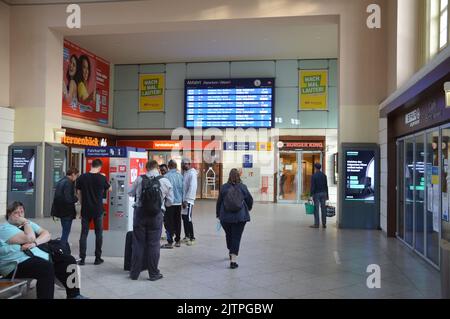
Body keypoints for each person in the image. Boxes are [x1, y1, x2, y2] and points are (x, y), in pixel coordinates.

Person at [0, 202, 87, 299]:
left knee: (69, 260)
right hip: (15, 264)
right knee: (45, 268)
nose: (20, 215)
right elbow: (30, 237)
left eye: (22, 211)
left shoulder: (27, 224)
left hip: (35, 256)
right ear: (9, 215)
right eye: (16, 213)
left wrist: (35, 243)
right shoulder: (5, 228)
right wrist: (25, 223)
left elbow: (46, 234)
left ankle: (74, 295)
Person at [128, 160, 174, 281]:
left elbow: (130, 192)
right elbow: (170, 202)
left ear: (147, 168)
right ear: (157, 168)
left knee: (138, 243)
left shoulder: (139, 179)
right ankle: (153, 273)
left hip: (140, 214)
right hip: (156, 216)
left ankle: (134, 273)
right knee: (154, 244)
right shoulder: (164, 181)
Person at [216, 169, 253, 269]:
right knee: (236, 237)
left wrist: (218, 215)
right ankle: (233, 261)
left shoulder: (224, 187)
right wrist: (248, 208)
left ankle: (230, 250)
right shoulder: (243, 187)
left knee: (229, 235)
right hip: (240, 217)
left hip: (225, 218)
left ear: (229, 176)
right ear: (238, 176)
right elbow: (250, 200)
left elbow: (219, 202)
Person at [76, 159, 110, 265]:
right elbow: (110, 188)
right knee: (98, 234)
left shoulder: (82, 177)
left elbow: (78, 193)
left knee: (84, 234)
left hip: (86, 209)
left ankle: (82, 259)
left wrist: (82, 204)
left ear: (91, 165)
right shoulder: (102, 178)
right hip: (98, 209)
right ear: (99, 167)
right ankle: (97, 258)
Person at [51, 167, 79, 245]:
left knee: (64, 229)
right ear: (73, 174)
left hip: (60, 210)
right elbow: (68, 198)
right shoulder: (68, 183)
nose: (76, 178)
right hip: (67, 211)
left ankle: (64, 243)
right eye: (76, 175)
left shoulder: (61, 181)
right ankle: (63, 247)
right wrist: (76, 198)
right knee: (66, 231)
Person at [161, 160, 183, 249]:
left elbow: (164, 191)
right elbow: (183, 189)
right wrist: (183, 201)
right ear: (176, 166)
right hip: (179, 203)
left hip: (169, 203)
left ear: (169, 166)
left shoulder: (166, 177)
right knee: (178, 222)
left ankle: (170, 242)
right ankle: (178, 241)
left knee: (168, 222)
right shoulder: (180, 176)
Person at [181, 158, 198, 246]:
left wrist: (187, 200)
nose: (184, 165)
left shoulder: (192, 173)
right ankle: (187, 236)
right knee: (184, 218)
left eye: (186, 164)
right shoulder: (185, 173)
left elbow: (192, 187)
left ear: (189, 164)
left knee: (188, 218)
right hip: (184, 200)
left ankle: (192, 237)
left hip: (189, 200)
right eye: (183, 164)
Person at [309, 163, 329, 229]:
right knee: (323, 209)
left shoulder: (314, 176)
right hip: (324, 193)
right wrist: (327, 196)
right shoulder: (324, 176)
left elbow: (312, 187)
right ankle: (324, 224)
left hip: (316, 194)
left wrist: (311, 195)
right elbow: (326, 186)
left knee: (316, 209)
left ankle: (316, 224)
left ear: (315, 168)